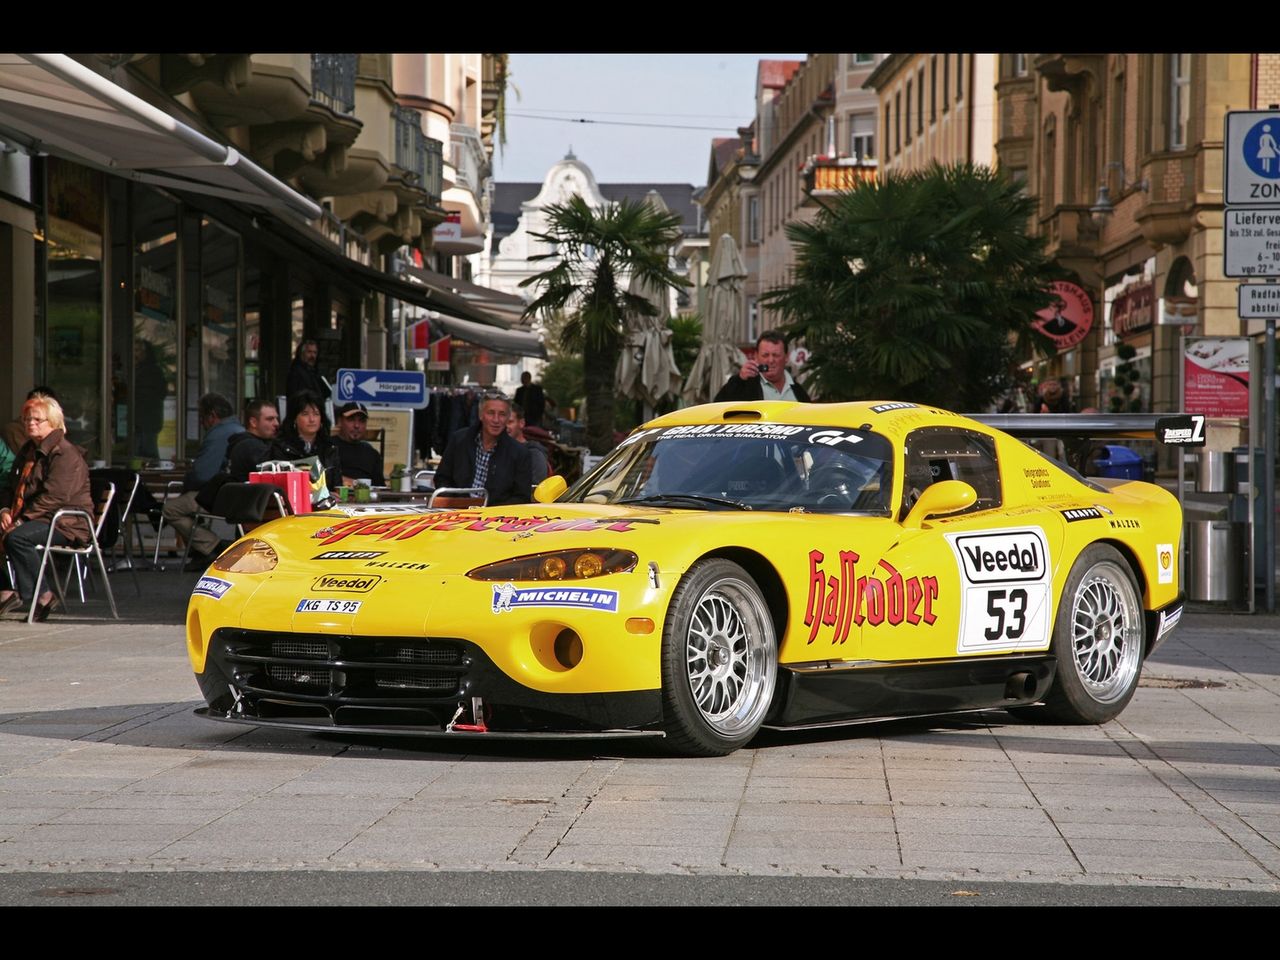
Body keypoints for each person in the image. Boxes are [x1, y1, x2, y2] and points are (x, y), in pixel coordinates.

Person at [0, 396, 94, 621]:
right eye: (27, 419)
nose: (30, 424)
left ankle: (44, 595)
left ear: (52, 422)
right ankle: (5, 590)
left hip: (65, 522)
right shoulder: (28, 451)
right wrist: (4, 510)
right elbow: (11, 486)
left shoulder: (64, 453)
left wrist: (20, 521)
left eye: (37, 419)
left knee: (17, 538)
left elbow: (55, 496)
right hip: (36, 518)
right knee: (13, 533)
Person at [163, 399, 281, 570]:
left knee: (170, 509)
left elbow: (202, 474)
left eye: (276, 419)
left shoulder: (248, 444)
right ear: (253, 422)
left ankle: (212, 545)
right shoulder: (254, 446)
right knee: (174, 508)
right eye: (270, 419)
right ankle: (212, 546)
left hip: (232, 501)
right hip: (242, 504)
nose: (276, 424)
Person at [434, 391, 532, 506]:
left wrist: (491, 512)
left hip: (495, 519)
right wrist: (455, 502)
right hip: (457, 512)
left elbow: (522, 497)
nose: (496, 420)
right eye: (491, 413)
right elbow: (442, 478)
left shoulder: (520, 453)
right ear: (481, 415)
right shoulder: (459, 440)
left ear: (507, 418)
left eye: (502, 414)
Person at [713, 330, 812, 403]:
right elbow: (718, 405)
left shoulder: (798, 391)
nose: (770, 360)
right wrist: (739, 380)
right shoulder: (745, 385)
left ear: (786, 357)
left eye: (776, 355)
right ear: (756, 356)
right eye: (765, 355)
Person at [276, 390, 341, 492]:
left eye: (316, 414)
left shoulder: (330, 448)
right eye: (305, 414)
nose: (312, 419)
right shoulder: (281, 447)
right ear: (294, 418)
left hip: (326, 506)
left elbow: (337, 487)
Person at [332, 402, 385, 486]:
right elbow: (319, 478)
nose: (357, 425)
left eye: (362, 421)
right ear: (340, 421)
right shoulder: (327, 447)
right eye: (351, 419)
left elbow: (380, 487)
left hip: (367, 497)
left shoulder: (372, 453)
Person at [507, 406, 549, 487]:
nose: (505, 426)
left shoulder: (534, 454)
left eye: (510, 422)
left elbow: (535, 490)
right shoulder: (496, 450)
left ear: (521, 423)